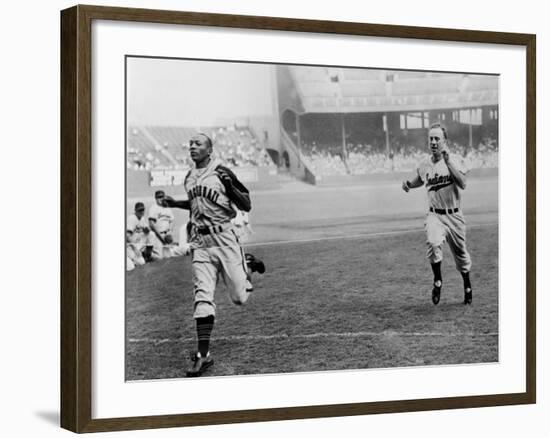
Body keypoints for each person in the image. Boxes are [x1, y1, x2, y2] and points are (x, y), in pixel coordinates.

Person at [165, 133, 266, 377]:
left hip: (225, 239)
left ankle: (248, 265)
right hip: (200, 242)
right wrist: (175, 204)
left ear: (209, 150)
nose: (192, 146)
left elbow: (246, 204)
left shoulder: (222, 172)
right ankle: (203, 355)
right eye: (190, 143)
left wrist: (230, 187)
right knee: (202, 298)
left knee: (240, 298)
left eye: (197, 143)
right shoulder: (189, 177)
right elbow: (197, 202)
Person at [402, 123, 473, 305]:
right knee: (433, 243)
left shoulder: (454, 159)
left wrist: (448, 162)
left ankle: (466, 283)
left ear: (444, 141)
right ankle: (438, 281)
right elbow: (421, 178)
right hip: (435, 215)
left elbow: (463, 183)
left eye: (437, 139)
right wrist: (409, 184)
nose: (433, 142)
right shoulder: (425, 164)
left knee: (461, 255)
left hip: (454, 215)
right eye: (431, 139)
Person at [147, 190, 175, 260]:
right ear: (155, 198)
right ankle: (147, 255)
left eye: (162, 197)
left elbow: (171, 221)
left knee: (168, 257)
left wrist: (170, 232)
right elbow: (152, 224)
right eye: (159, 197)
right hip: (158, 235)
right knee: (159, 257)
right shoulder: (153, 208)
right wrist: (161, 237)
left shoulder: (167, 208)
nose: (161, 199)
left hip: (166, 235)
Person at [126, 202, 151, 270]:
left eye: (142, 210)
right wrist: (135, 249)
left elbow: (147, 230)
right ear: (135, 210)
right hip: (129, 246)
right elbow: (127, 236)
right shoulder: (131, 219)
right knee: (130, 268)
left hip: (137, 245)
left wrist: (147, 229)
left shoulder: (142, 219)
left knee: (142, 263)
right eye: (139, 210)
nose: (141, 212)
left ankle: (147, 255)